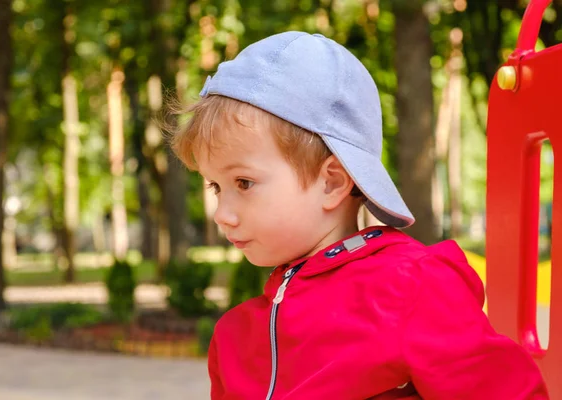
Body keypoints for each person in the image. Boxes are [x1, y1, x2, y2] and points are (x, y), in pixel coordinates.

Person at [168, 31, 549, 399]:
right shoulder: (236, 337)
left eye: (244, 183)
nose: (222, 214)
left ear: (332, 182)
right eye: (216, 187)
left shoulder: (408, 288)